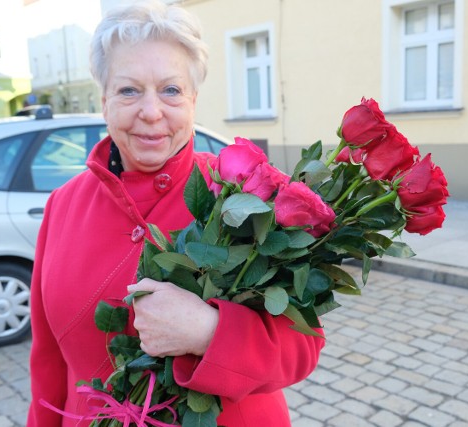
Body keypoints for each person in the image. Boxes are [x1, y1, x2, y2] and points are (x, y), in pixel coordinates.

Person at [26, 1, 325, 425]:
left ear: (193, 100)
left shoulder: (243, 192)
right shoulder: (62, 205)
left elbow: (303, 345)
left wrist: (210, 332)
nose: (152, 112)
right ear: (104, 100)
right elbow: (48, 366)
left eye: (170, 90)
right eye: (129, 90)